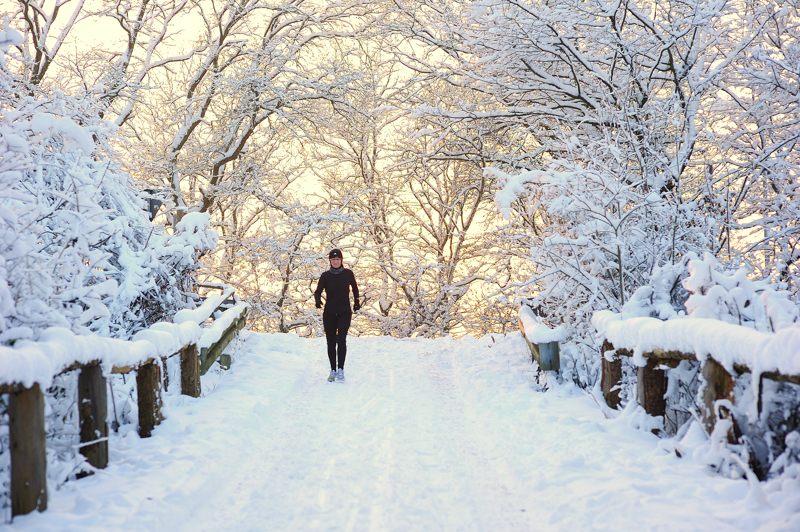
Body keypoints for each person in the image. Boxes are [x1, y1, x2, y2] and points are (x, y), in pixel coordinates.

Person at [314, 248, 360, 382]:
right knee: (331, 342)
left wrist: (357, 301)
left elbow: (355, 288)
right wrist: (318, 300)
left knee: (341, 340)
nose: (335, 261)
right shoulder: (325, 276)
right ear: (330, 261)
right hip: (329, 313)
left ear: (341, 260)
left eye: (338, 259)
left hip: (344, 311)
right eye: (333, 259)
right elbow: (318, 291)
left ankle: (341, 369)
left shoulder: (348, 274)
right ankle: (332, 369)